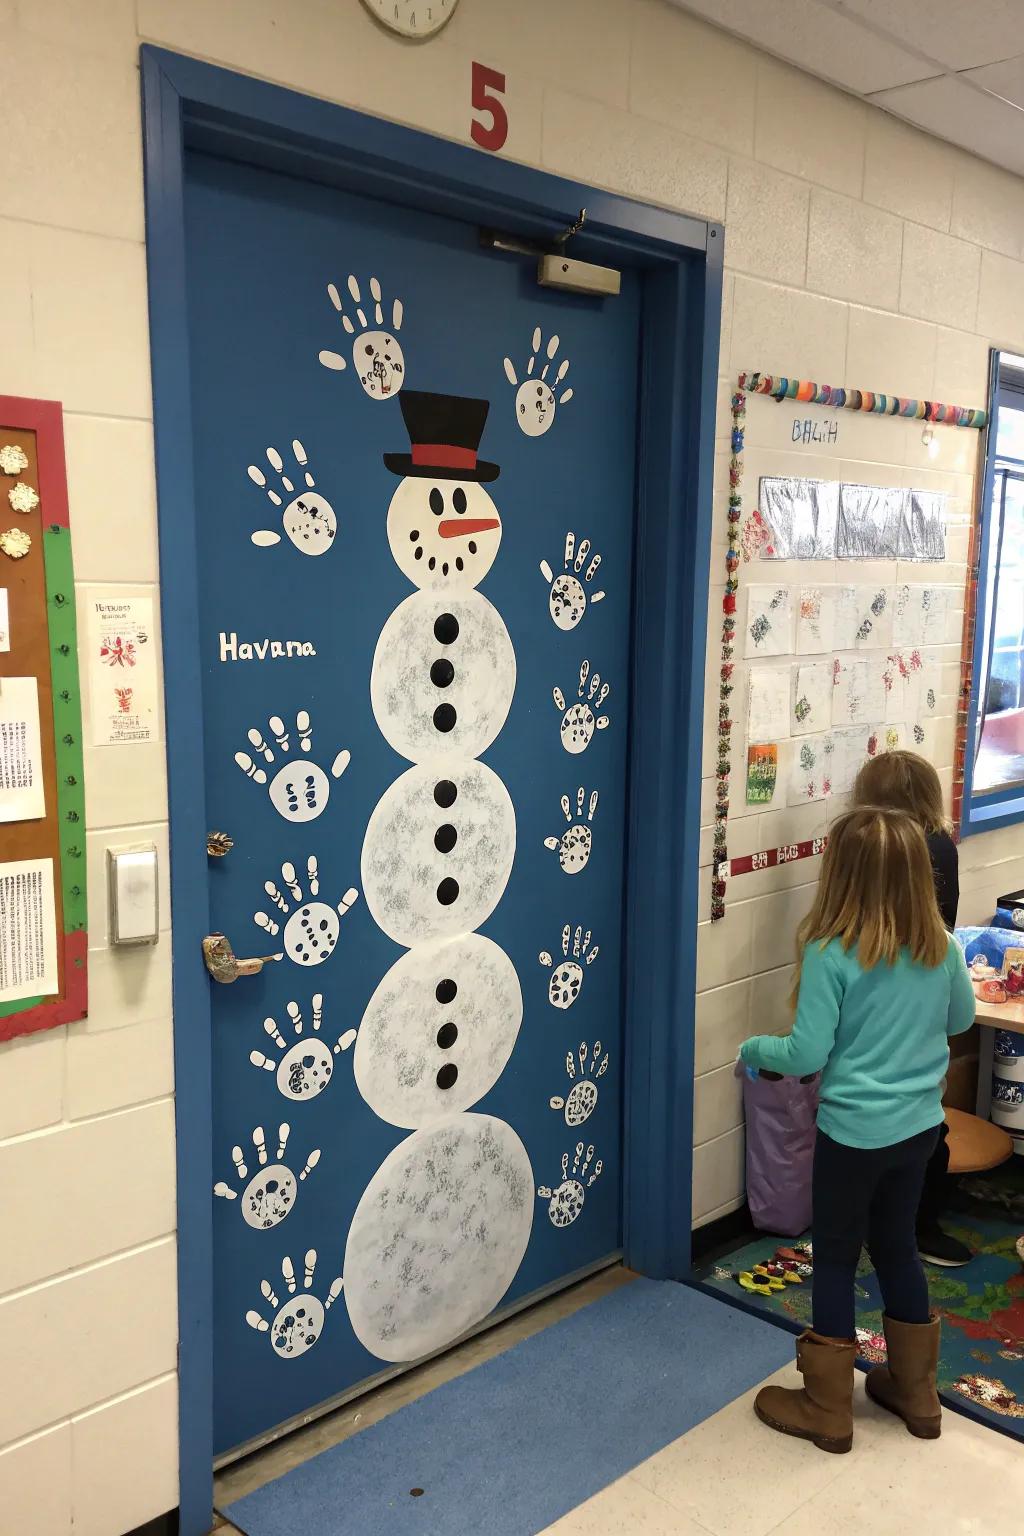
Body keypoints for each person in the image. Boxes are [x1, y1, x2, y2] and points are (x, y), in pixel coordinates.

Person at [738, 806, 975, 1454]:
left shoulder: (831, 951)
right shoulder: (942, 946)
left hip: (852, 1135)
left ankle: (827, 1406)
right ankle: (917, 1394)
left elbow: (806, 1053)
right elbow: (959, 1021)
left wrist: (753, 1047)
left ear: (840, 875)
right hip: (919, 1129)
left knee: (838, 1256)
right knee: (897, 1246)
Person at [853, 750, 969, 1268]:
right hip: (925, 993)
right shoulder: (940, 843)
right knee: (925, 1113)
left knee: (884, 1119)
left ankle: (892, 1224)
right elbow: (943, 926)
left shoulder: (881, 850)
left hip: (878, 993)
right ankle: (915, 1225)